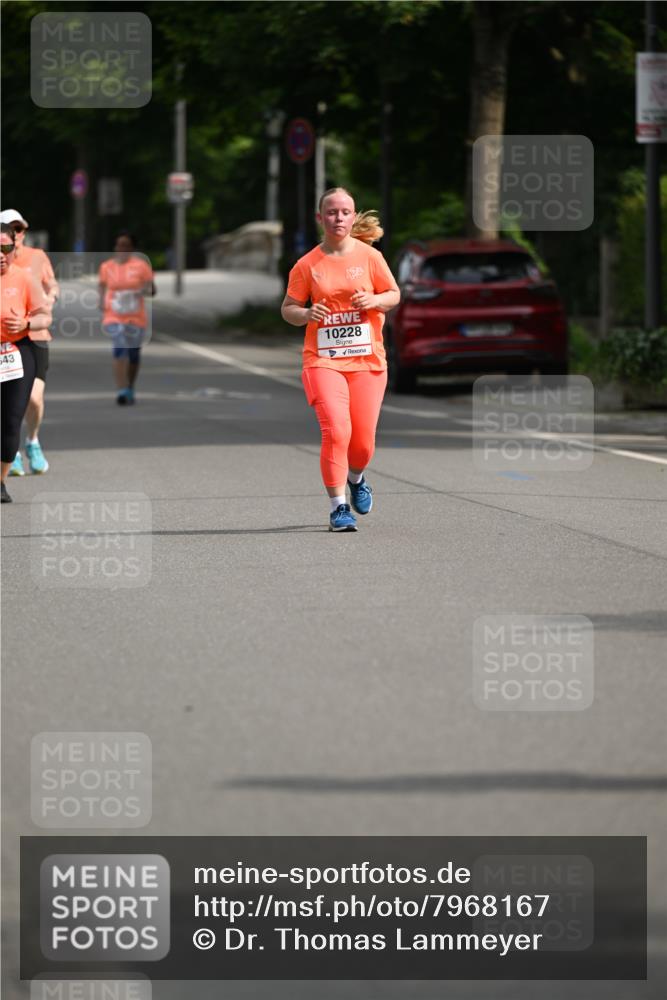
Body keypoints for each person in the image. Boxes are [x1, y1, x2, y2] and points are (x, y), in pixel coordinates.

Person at [281, 187, 400, 532]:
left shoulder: (369, 257)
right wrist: (305, 314)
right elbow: (287, 308)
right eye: (331, 212)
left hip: (367, 360)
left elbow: (393, 293)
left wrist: (374, 302)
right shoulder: (307, 265)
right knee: (336, 429)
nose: (338, 218)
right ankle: (338, 508)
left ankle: (357, 477)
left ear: (353, 216)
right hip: (322, 360)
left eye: (345, 212)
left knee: (361, 443)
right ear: (320, 218)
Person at [0, 208, 59, 475]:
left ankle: (32, 441)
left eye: (20, 229)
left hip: (34, 337)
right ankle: (9, 451)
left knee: (33, 400)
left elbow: (52, 285)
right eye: (11, 228)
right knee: (9, 404)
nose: (18, 234)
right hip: (7, 341)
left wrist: (49, 300)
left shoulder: (36, 257)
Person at [98, 231, 155, 405]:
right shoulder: (107, 266)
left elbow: (152, 289)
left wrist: (140, 292)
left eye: (125, 245)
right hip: (113, 315)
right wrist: (101, 300)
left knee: (133, 354)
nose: (121, 248)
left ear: (132, 248)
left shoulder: (141, 266)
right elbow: (101, 285)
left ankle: (130, 386)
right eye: (118, 245)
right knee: (120, 346)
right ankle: (122, 389)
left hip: (136, 317)